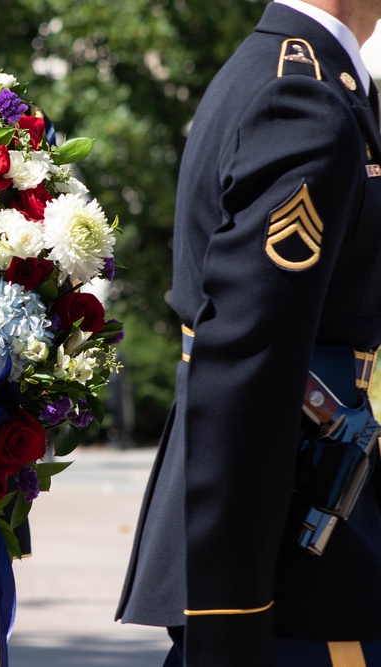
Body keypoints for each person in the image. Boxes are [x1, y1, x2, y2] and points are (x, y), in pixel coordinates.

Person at [116, 1, 381, 665]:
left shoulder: (301, 75)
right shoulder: (303, 96)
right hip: (300, 548)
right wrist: (230, 611)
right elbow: (248, 359)